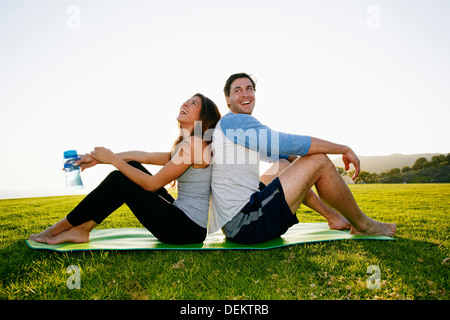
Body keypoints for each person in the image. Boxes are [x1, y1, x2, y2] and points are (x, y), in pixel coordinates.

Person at [209, 73, 396, 244]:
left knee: (283, 165)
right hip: (246, 223)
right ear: (228, 99)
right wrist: (343, 149)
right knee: (318, 161)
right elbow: (287, 142)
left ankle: (333, 217)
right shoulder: (234, 121)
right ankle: (363, 225)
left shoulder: (232, 127)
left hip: (236, 223)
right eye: (237, 90)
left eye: (249, 89)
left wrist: (300, 165)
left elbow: (281, 153)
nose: (245, 94)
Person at [29, 93, 221, 245]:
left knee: (119, 180)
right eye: (187, 100)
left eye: (194, 103)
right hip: (182, 221)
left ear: (203, 118)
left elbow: (152, 184)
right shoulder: (186, 144)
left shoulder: (196, 144)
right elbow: (142, 156)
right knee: (131, 167)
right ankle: (81, 230)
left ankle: (57, 229)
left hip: (186, 230)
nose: (186, 103)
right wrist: (96, 159)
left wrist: (112, 159)